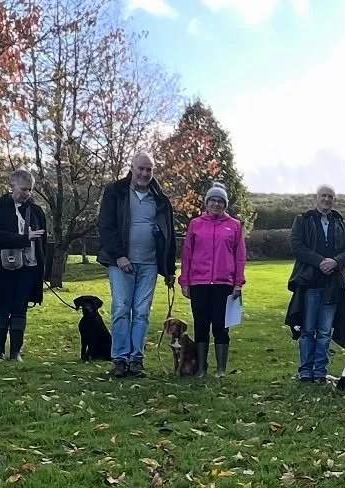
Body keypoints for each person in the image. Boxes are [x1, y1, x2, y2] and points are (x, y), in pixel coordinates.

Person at [97, 150, 177, 378]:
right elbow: (106, 225)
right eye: (140, 168)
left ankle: (136, 359)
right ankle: (120, 359)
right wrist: (119, 255)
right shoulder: (116, 191)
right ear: (131, 168)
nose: (144, 173)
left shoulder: (161, 199)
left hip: (149, 264)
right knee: (121, 308)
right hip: (121, 263)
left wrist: (169, 269)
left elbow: (168, 235)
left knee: (142, 312)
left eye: (149, 169)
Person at [0, 169, 49, 363]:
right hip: (1, 267)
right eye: (24, 189)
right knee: (1, 308)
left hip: (28, 268)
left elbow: (43, 241)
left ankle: (15, 353)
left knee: (20, 308)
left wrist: (42, 269)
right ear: (12, 187)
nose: (27, 193)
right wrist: (24, 238)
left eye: (30, 190)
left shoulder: (37, 211)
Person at [286, 185, 345, 381]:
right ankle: (305, 371)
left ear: (334, 200)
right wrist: (320, 262)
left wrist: (335, 262)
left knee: (325, 331)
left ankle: (320, 371)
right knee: (308, 329)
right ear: (315, 198)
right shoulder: (303, 220)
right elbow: (297, 246)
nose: (327, 199)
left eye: (330, 196)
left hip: (333, 285)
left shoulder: (341, 223)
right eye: (323, 196)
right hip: (310, 283)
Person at [179, 182, 246, 377]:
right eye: (212, 200)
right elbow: (187, 254)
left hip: (224, 284)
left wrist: (238, 282)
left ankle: (221, 369)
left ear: (225, 204)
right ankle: (201, 368)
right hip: (199, 283)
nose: (216, 204)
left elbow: (239, 257)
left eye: (220, 201)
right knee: (201, 325)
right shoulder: (196, 224)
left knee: (221, 326)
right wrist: (185, 281)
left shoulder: (234, 225)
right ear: (207, 202)